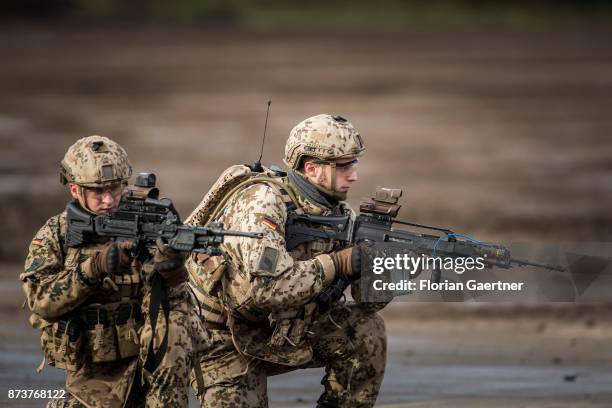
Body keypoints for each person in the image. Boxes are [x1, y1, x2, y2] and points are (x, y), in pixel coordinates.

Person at [187, 114, 388, 408]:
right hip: (224, 339)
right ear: (312, 168)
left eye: (353, 164)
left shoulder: (338, 214)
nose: (354, 175)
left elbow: (369, 304)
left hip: (282, 330)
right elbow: (267, 290)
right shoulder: (262, 203)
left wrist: (382, 270)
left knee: (366, 329)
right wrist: (338, 264)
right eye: (344, 166)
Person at [21, 135, 206, 408]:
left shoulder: (145, 223)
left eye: (116, 189)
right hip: (92, 378)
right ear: (75, 190)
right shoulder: (56, 234)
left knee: (176, 325)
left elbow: (176, 304)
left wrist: (172, 269)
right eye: (98, 192)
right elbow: (40, 301)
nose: (108, 200)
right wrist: (93, 269)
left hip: (149, 369)